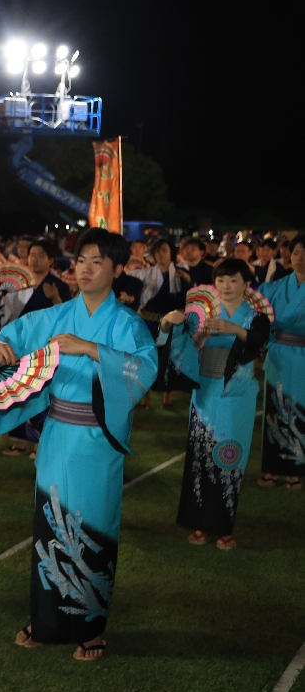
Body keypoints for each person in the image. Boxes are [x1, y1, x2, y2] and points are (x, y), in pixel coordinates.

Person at [0, 228, 157, 661]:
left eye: (96, 261)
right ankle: (46, 621)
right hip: (59, 435)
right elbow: (14, 334)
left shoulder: (127, 323)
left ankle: (90, 628)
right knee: (50, 528)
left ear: (118, 270)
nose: (84, 268)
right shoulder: (57, 315)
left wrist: (91, 348)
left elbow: (145, 368)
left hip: (98, 443)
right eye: (80, 260)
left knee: (93, 529)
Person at [159, 258, 270, 549]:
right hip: (205, 392)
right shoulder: (203, 312)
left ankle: (223, 527)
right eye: (221, 280)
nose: (226, 286)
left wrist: (232, 329)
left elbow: (260, 339)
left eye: (233, 280)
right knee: (200, 456)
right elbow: (179, 341)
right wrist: (169, 321)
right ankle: (200, 524)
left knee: (229, 457)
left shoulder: (253, 315)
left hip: (237, 393)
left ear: (246, 284)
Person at [0, 238, 71, 457]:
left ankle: (41, 443)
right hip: (19, 349)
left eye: (40, 256)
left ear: (51, 260)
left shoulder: (59, 286)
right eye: (32, 255)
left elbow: (67, 319)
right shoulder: (20, 283)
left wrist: (55, 297)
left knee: (41, 397)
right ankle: (20, 441)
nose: (34, 259)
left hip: (45, 352)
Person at [257, 235, 305, 490]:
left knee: (299, 412)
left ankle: (295, 471)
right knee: (274, 412)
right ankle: (273, 469)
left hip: (303, 359)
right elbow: (261, 315)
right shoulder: (275, 287)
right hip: (277, 356)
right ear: (289, 254)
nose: (301, 258)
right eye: (297, 252)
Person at [130, 239, 190, 410]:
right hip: (149, 319)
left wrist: (186, 279)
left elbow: (190, 295)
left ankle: (167, 397)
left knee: (171, 358)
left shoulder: (181, 273)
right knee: (146, 357)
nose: (161, 254)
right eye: (157, 251)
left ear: (171, 252)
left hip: (173, 322)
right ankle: (145, 398)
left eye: (164, 250)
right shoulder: (146, 273)